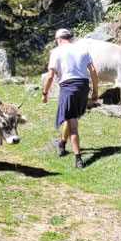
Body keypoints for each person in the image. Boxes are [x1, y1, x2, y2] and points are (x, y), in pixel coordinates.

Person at [42, 29, 99, 169]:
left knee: (73, 123)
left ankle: (78, 158)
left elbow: (50, 75)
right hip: (83, 87)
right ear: (70, 38)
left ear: (59, 39)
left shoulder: (57, 51)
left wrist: (45, 93)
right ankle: (62, 144)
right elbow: (93, 70)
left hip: (69, 87)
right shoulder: (82, 50)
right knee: (71, 115)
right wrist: (96, 90)